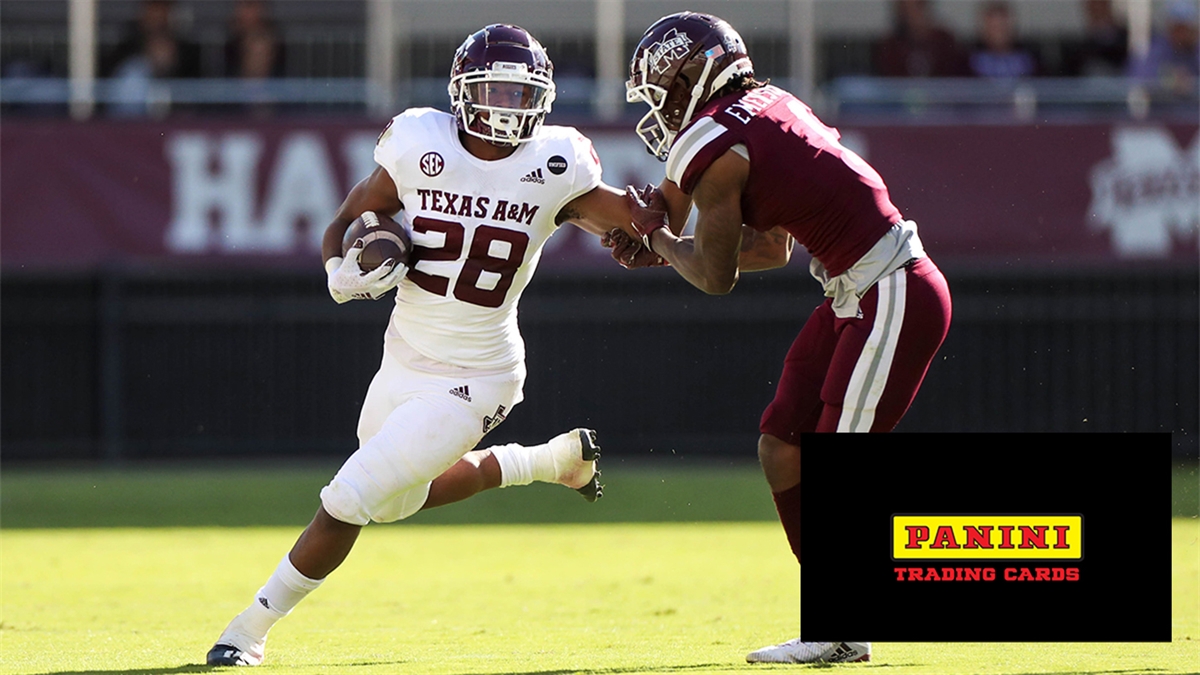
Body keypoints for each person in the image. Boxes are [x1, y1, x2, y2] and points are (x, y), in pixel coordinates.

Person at [206, 24, 639, 667]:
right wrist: (337, 272)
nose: (506, 108)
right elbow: (346, 219)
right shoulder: (418, 139)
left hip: (479, 375)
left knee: (348, 498)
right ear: (462, 91)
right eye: (494, 90)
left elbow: (641, 228)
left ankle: (247, 631)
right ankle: (551, 461)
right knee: (395, 501)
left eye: (522, 96)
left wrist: (689, 237)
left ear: (543, 101)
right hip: (402, 357)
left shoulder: (558, 163)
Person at [615, 11, 952, 665]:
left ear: (691, 76)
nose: (660, 109)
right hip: (858, 291)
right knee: (781, 445)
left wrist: (657, 240)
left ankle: (843, 621)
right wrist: (662, 238)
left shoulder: (713, 141)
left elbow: (716, 276)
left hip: (892, 289)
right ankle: (842, 617)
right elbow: (769, 249)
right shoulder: (767, 105)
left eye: (662, 90)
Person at [873, 0, 969, 77]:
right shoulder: (890, 46)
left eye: (917, 6)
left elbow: (958, 80)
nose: (911, 14)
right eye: (906, 9)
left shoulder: (945, 41)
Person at [1127, 0, 1200, 95]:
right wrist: (1168, 79)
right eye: (1177, 28)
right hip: (1163, 108)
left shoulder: (1196, 50)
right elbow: (1136, 76)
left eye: (1186, 28)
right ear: (1169, 27)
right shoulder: (1159, 48)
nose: (1181, 34)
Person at [968, 1, 1039, 79]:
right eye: (994, 28)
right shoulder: (970, 60)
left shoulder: (1029, 58)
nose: (999, 34)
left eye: (1002, 27)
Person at [1064, 0, 1129, 77]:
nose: (1097, 9)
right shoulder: (1078, 42)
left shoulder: (1124, 36)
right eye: (1093, 6)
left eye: (1100, 4)